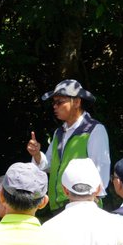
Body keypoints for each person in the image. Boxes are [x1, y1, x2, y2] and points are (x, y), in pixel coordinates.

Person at [26, 79, 110, 213]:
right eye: (53, 102)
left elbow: (101, 168)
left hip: (83, 206)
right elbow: (49, 165)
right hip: (59, 206)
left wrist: (94, 201)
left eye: (59, 102)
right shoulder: (59, 133)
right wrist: (36, 154)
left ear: (77, 102)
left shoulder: (94, 130)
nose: (54, 106)